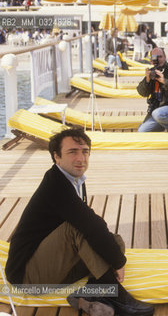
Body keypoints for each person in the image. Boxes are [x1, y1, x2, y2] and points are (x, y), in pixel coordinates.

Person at [5, 128, 154, 316]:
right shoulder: (55, 185)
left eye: (85, 152)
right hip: (27, 276)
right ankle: (114, 294)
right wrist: (118, 262)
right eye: (72, 152)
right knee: (77, 230)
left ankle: (90, 294)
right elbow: (89, 225)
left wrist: (115, 255)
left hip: (55, 267)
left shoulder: (73, 179)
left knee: (114, 241)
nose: (81, 158)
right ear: (56, 157)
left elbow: (93, 225)